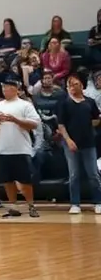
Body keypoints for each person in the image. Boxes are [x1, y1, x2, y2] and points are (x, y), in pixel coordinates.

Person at [0, 78, 42, 219]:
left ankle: (31, 205)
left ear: (15, 89)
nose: (4, 90)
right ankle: (13, 206)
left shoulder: (25, 105)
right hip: (2, 148)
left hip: (21, 148)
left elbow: (34, 124)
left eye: (7, 87)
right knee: (7, 180)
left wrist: (15, 120)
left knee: (25, 180)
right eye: (3, 87)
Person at [56, 74, 101, 214]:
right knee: (74, 174)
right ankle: (75, 203)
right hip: (70, 143)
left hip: (88, 143)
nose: (72, 87)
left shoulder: (90, 102)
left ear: (81, 85)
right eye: (69, 85)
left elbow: (95, 120)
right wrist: (68, 141)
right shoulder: (64, 103)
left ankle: (98, 202)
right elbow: (61, 125)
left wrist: (88, 126)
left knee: (93, 174)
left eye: (75, 84)